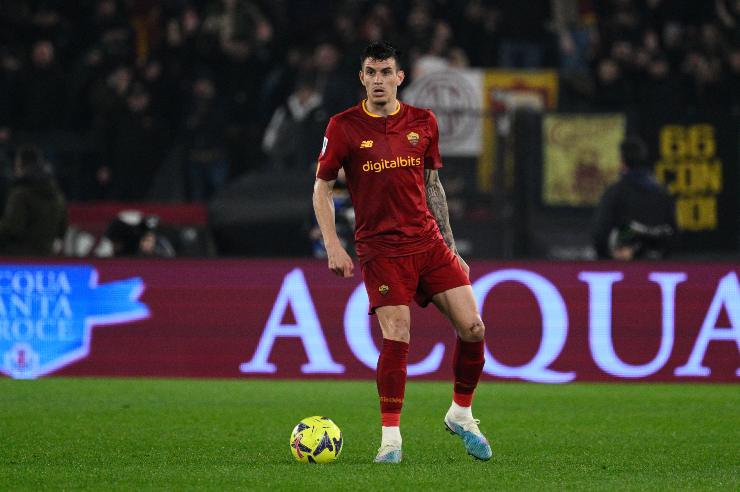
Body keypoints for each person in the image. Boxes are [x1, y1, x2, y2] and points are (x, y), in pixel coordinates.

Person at [312, 41, 491, 464]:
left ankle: (461, 414)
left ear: (400, 77)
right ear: (362, 78)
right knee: (398, 334)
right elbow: (322, 188)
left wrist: (451, 246)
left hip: (427, 243)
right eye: (371, 72)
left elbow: (432, 187)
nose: (379, 80)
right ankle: (390, 441)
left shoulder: (423, 122)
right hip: (381, 249)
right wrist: (333, 245)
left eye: (386, 72)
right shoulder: (343, 126)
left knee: (473, 328)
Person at [593, 136, 676, 260]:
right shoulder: (663, 193)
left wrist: (609, 255)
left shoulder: (615, 192)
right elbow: (674, 233)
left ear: (622, 161)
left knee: (626, 230)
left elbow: (600, 235)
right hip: (657, 262)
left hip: (622, 262)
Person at [0, 145, 67, 256]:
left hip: (19, 256)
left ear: (20, 165)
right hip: (47, 255)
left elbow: (12, 227)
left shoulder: (20, 193)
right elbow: (62, 230)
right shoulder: (57, 194)